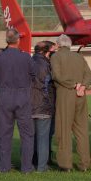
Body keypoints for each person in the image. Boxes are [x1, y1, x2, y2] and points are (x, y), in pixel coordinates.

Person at [0, 28, 37, 174]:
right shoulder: (26, 57)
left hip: (5, 95)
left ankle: (4, 167)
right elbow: (34, 74)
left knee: (5, 133)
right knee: (26, 133)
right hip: (22, 94)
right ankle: (26, 167)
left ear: (6, 41)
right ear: (19, 40)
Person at [51, 35, 91, 172]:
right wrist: (83, 87)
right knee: (82, 131)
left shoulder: (56, 57)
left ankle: (65, 165)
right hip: (81, 95)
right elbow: (89, 75)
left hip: (65, 94)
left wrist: (74, 85)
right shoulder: (79, 57)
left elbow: (57, 75)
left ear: (57, 45)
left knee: (63, 130)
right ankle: (84, 164)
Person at [30, 41, 55, 172]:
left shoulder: (27, 63)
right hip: (44, 106)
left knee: (30, 137)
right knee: (43, 138)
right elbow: (49, 87)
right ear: (47, 52)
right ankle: (42, 167)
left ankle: (30, 163)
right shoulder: (47, 65)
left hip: (28, 106)